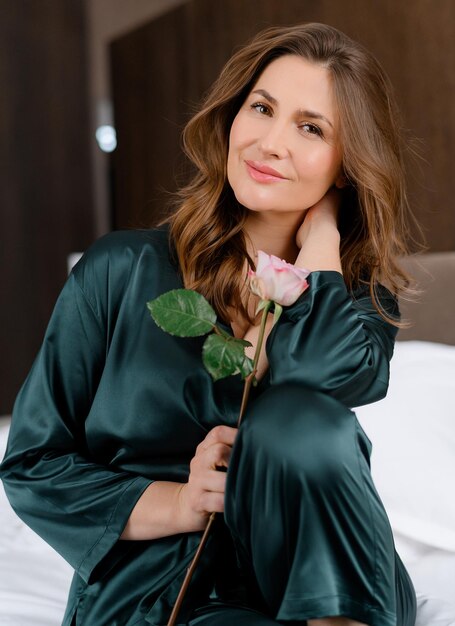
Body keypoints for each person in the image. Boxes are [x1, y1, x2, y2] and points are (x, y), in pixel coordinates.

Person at [0, 22, 417, 626]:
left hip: (330, 582)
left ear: (348, 165)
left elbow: (321, 379)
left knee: (294, 419)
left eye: (310, 127)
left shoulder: (357, 299)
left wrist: (321, 242)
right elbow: (33, 463)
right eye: (261, 108)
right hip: (161, 590)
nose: (270, 142)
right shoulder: (120, 270)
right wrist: (181, 503)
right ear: (232, 117)